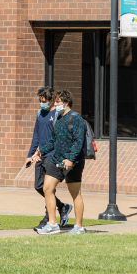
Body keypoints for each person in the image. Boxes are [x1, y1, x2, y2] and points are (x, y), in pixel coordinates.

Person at [36, 89, 87, 235]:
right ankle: (52, 224)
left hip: (73, 162)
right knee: (47, 188)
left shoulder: (76, 118)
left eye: (58, 102)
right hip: (56, 159)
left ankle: (79, 227)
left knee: (75, 193)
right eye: (55, 102)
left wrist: (71, 159)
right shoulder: (58, 118)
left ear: (66, 102)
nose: (55, 104)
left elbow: (78, 141)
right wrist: (41, 151)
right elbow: (53, 140)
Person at [26, 85, 70, 228]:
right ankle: (62, 206)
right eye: (40, 100)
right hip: (41, 155)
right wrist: (30, 155)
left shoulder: (57, 114)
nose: (41, 103)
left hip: (53, 155)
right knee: (38, 186)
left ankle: (48, 219)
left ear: (51, 100)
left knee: (49, 188)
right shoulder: (40, 113)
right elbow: (36, 135)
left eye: (44, 101)